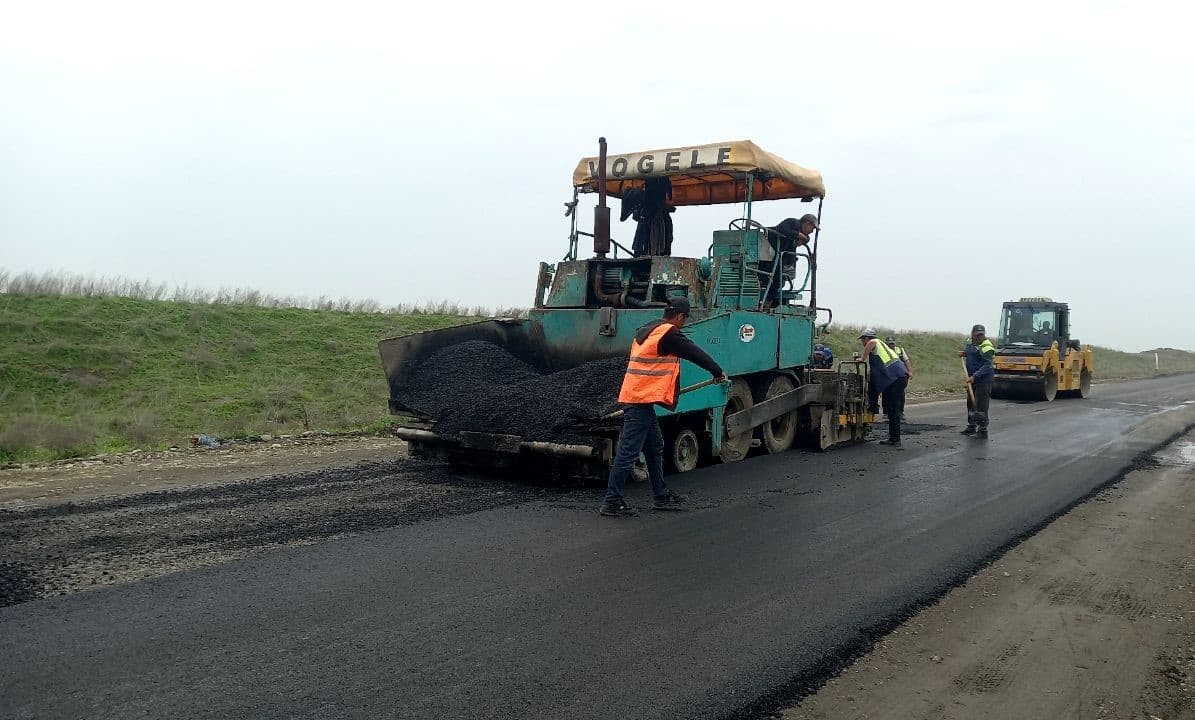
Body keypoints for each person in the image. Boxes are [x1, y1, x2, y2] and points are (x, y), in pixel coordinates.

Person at [599, 296, 727, 517]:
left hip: (639, 398)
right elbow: (694, 352)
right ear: (680, 316)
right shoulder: (669, 333)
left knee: (655, 445)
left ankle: (661, 495)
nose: (684, 323)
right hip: (639, 401)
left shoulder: (648, 330)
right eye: (685, 319)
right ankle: (612, 501)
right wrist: (717, 371)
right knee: (628, 452)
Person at [858, 328, 909, 448]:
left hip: (896, 378)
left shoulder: (873, 342)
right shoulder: (881, 346)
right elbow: (880, 363)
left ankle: (895, 439)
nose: (862, 342)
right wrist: (870, 373)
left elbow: (870, 345)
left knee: (893, 409)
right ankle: (893, 437)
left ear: (866, 338)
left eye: (862, 340)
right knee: (890, 406)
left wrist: (861, 358)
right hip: (897, 377)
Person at [761, 214, 819, 307]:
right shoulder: (793, 222)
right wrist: (800, 236)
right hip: (766, 251)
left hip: (775, 257)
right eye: (812, 228)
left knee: (778, 280)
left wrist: (804, 239)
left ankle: (767, 301)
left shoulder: (796, 234)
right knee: (775, 278)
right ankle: (766, 302)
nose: (812, 231)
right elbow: (782, 229)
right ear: (807, 224)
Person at [959, 323, 996, 438]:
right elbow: (972, 353)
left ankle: (983, 429)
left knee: (981, 404)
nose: (979, 337)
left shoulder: (987, 346)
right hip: (972, 379)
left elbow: (988, 365)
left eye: (981, 335)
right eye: (977, 335)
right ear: (972, 334)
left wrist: (975, 376)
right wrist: (964, 354)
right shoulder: (970, 342)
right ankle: (971, 426)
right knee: (970, 402)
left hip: (984, 379)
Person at [884, 335, 913, 423]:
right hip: (888, 376)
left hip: (900, 376)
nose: (891, 346)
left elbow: (906, 361)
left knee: (900, 394)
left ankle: (900, 412)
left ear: (895, 344)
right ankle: (887, 413)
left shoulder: (900, 350)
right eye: (889, 344)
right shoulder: (883, 351)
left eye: (892, 344)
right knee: (886, 393)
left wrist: (910, 371)